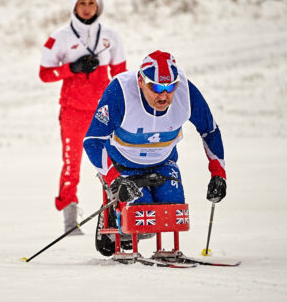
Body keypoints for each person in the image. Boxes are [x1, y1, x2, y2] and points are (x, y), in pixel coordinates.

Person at [83, 50, 227, 255]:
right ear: (141, 81)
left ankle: (139, 227)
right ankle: (112, 217)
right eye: (157, 87)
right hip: (123, 164)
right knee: (140, 216)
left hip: (163, 161)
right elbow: (92, 141)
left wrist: (218, 174)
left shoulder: (186, 92)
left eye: (170, 87)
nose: (164, 94)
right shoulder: (120, 91)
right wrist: (114, 179)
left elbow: (210, 130)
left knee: (173, 211)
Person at [39, 0, 127, 234]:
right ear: (73, 6)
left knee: (114, 163)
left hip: (104, 112)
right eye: (82, 3)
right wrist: (71, 68)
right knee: (72, 165)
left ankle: (117, 215)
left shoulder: (112, 35)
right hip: (73, 112)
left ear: (98, 5)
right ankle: (70, 223)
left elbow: (121, 74)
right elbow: (45, 73)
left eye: (92, 2)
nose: (87, 8)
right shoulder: (59, 38)